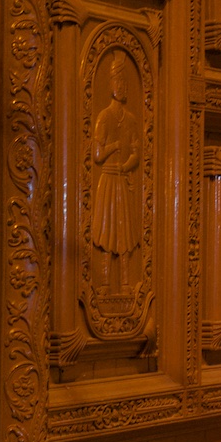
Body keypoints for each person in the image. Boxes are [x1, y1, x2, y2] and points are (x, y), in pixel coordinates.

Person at [91, 50, 140, 294]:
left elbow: (136, 153)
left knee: (125, 232)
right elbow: (97, 155)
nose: (123, 87)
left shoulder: (130, 119)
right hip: (108, 180)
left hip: (122, 179)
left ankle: (125, 283)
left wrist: (127, 164)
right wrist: (113, 147)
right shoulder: (104, 117)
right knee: (108, 230)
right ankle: (104, 284)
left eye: (125, 82)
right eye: (119, 82)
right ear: (111, 85)